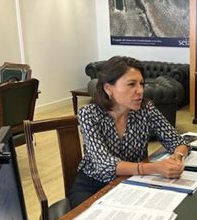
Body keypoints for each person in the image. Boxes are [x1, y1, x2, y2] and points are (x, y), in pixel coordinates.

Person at [69, 56, 189, 207]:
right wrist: (155, 167)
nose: (140, 90)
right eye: (131, 84)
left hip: (133, 181)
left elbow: (178, 141)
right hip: (93, 185)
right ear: (108, 88)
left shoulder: (146, 109)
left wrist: (177, 157)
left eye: (141, 84)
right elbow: (105, 164)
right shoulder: (89, 114)